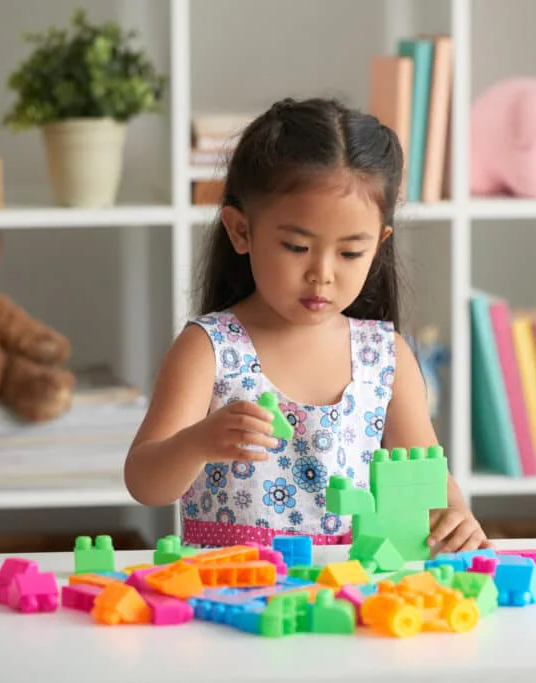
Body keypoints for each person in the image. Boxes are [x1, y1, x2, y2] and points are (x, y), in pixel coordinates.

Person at [124, 96, 489, 554]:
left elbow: (426, 476)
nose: (322, 274)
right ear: (241, 231)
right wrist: (196, 443)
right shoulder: (211, 349)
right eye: (297, 247)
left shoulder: (383, 355)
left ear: (378, 244)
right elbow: (145, 482)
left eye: (350, 252)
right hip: (231, 584)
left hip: (351, 584)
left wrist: (454, 513)